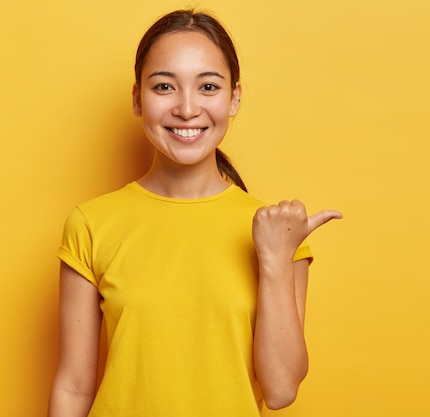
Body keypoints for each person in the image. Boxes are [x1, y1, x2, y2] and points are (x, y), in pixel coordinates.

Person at [47, 9, 341, 417]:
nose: (187, 108)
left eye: (208, 87)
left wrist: (274, 258)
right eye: (164, 86)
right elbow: (74, 387)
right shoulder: (91, 224)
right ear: (138, 99)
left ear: (234, 97)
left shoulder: (278, 230)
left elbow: (280, 390)